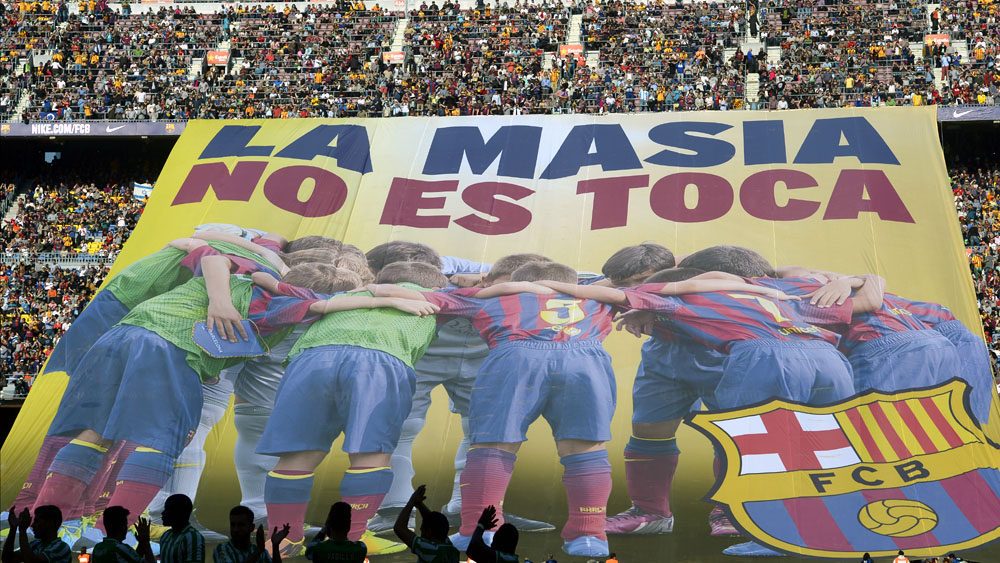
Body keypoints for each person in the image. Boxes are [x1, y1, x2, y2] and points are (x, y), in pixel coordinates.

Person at [31, 259, 354, 539]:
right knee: (161, 441)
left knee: (93, 433)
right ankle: (111, 534)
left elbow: (215, 259)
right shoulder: (288, 304)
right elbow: (329, 305)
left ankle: (54, 523)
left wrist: (222, 297)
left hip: (120, 337)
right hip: (169, 349)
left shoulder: (243, 274)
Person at [257, 261, 446, 557]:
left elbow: (269, 281)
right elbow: (494, 293)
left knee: (297, 455)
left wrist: (370, 288)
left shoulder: (339, 297)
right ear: (435, 288)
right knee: (371, 455)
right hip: (380, 363)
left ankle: (282, 541)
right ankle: (354, 537)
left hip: (313, 361)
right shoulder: (438, 299)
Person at [392, 486, 459, 563]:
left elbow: (399, 528)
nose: (421, 532)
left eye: (422, 529)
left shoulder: (430, 550)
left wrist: (411, 502)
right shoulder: (451, 550)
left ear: (428, 532)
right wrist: (419, 504)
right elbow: (434, 523)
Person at [213, 506, 289, 563]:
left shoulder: (262, 552)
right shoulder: (222, 549)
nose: (235, 529)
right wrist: (258, 550)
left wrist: (275, 546)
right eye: (233, 525)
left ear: (252, 527)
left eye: (241, 525)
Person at [3, 506, 72, 563]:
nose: (32, 525)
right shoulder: (35, 544)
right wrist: (13, 528)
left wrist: (22, 530)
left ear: (50, 523)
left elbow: (31, 561)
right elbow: (7, 559)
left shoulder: (62, 547)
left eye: (37, 521)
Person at [158, 496, 203, 563]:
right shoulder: (166, 535)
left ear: (179, 512)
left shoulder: (193, 537)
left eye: (167, 509)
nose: (163, 513)